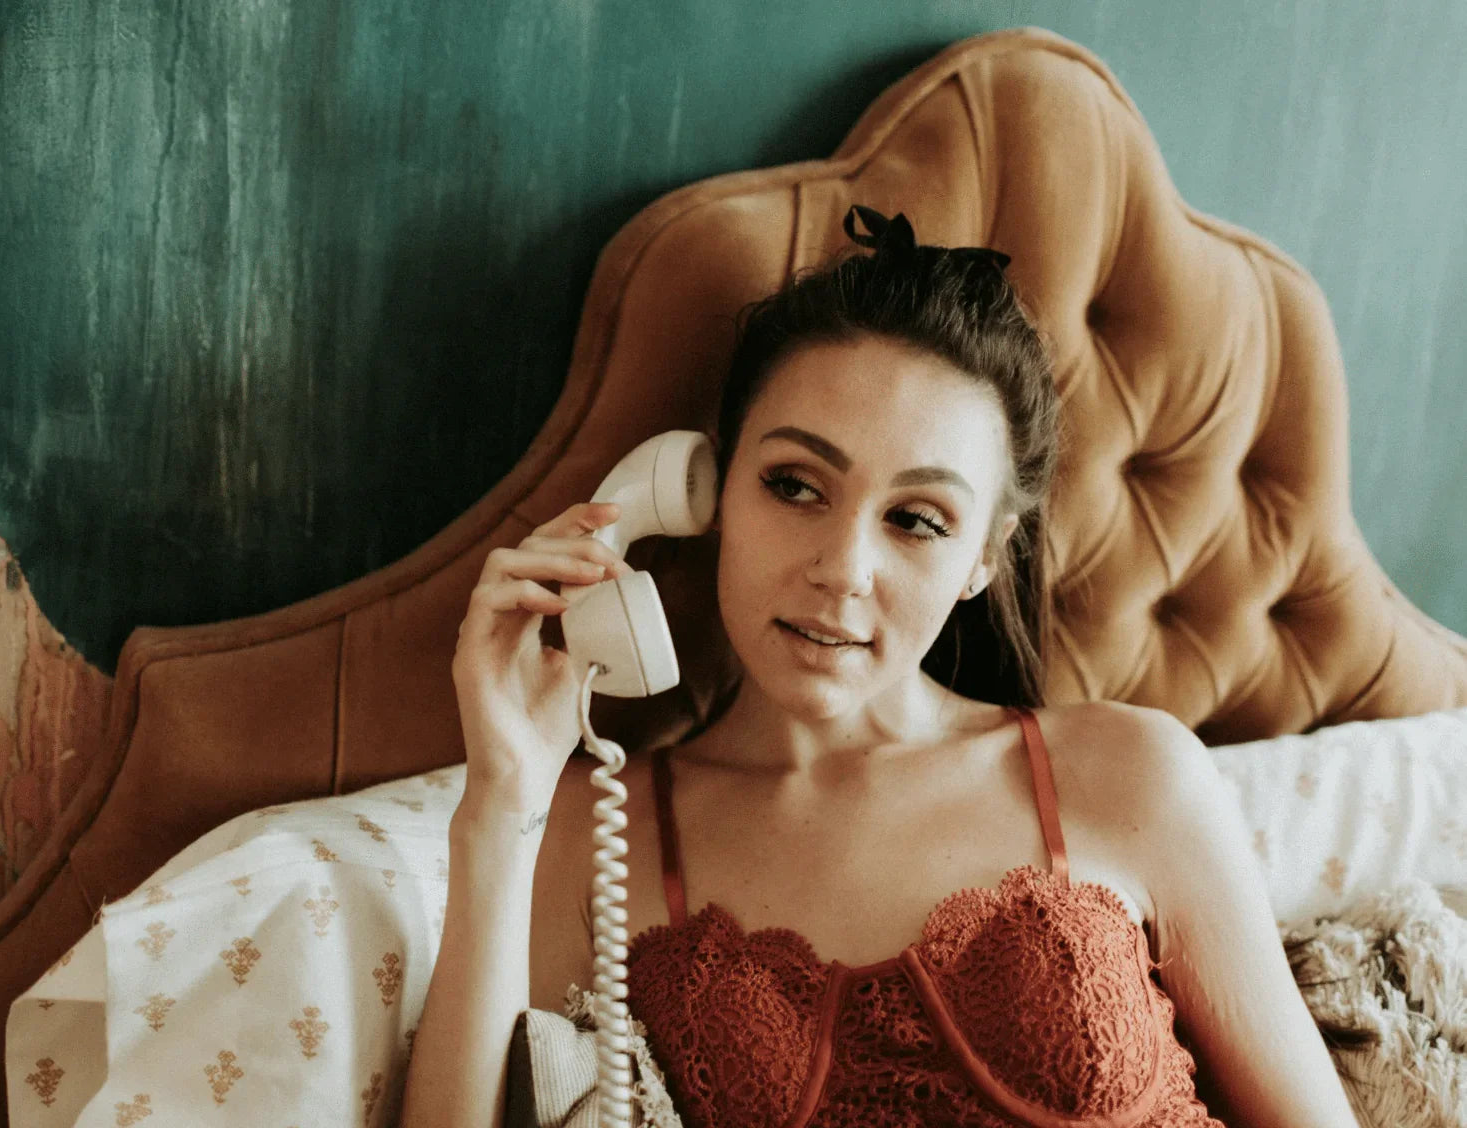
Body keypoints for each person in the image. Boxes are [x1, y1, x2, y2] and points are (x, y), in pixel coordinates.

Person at [399, 206, 1360, 1127]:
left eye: (916, 520)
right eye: (794, 485)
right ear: (708, 492)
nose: (842, 571)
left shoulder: (1131, 775)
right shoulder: (585, 833)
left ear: (985, 555)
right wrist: (503, 793)